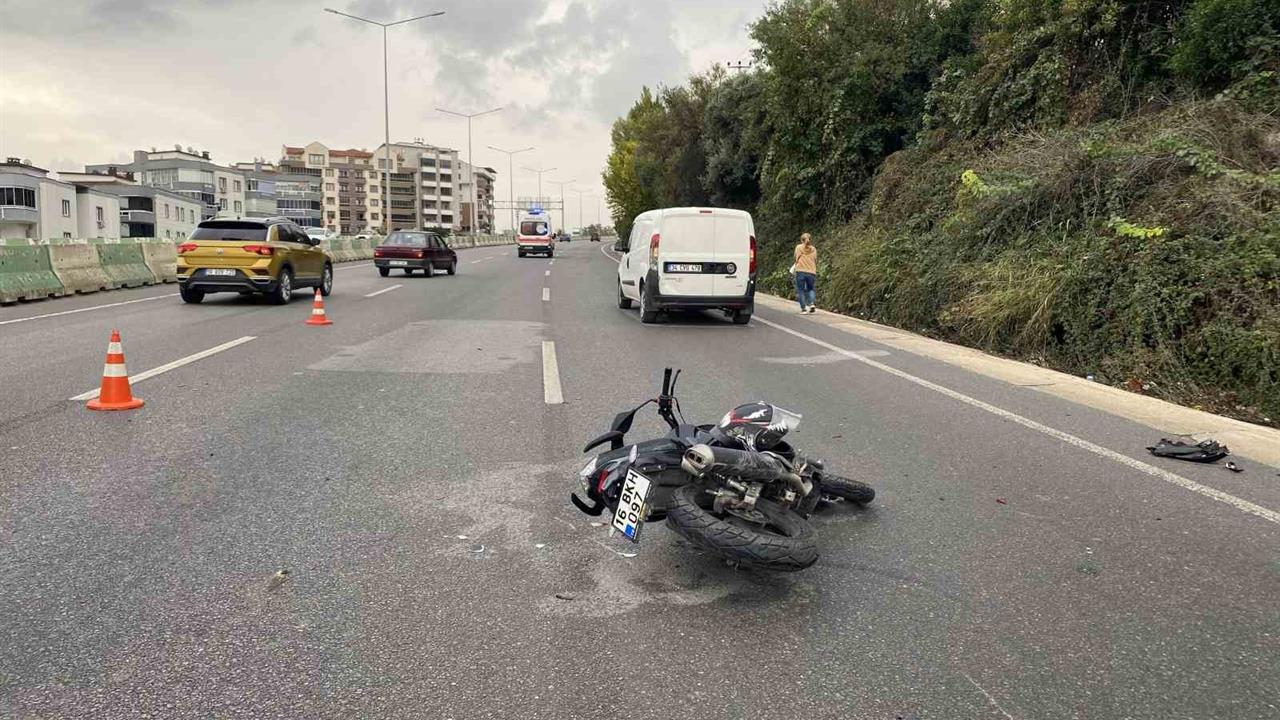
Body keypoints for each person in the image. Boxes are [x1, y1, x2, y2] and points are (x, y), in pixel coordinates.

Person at [793, 232, 817, 314]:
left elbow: (796, 257)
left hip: (800, 271)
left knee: (801, 290)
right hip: (811, 271)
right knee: (811, 289)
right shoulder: (814, 249)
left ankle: (803, 309)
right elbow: (815, 259)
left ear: (801, 240)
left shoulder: (798, 247)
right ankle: (812, 304)